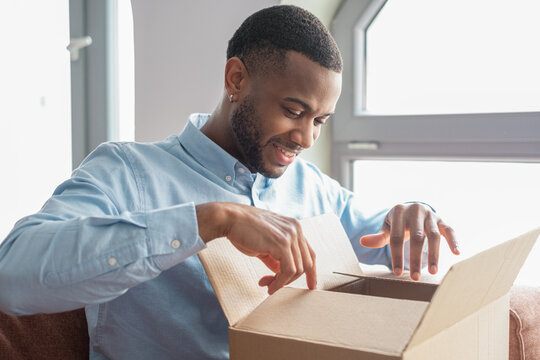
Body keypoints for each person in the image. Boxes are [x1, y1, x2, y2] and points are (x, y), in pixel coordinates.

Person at [0, 5, 458, 360]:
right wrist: (210, 220)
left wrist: (415, 215)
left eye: (320, 120)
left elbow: (382, 237)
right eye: (294, 111)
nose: (305, 137)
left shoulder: (312, 188)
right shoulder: (129, 172)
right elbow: (12, 275)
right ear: (236, 79)